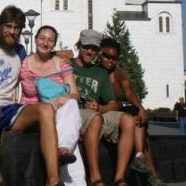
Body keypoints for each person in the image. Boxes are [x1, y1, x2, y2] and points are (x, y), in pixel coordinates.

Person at [0, 6, 64, 186]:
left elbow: (38, 59)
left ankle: (53, 179)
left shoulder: (20, 51)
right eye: (8, 26)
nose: (12, 31)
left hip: (6, 110)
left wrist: (58, 53)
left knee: (46, 110)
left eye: (17, 28)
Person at [19, 25, 86, 186]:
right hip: (33, 113)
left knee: (70, 105)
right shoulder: (24, 64)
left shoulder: (60, 63)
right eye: (42, 38)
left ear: (55, 43)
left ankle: (64, 150)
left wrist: (66, 95)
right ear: (35, 39)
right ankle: (64, 149)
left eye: (50, 40)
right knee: (65, 129)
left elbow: (75, 93)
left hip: (58, 112)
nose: (45, 43)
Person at [71, 30, 135, 186]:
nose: (89, 51)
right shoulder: (67, 64)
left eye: (93, 48)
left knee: (128, 120)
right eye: (86, 47)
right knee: (95, 118)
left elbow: (112, 103)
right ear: (79, 46)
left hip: (96, 113)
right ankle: (95, 178)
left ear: (98, 51)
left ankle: (119, 178)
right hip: (74, 113)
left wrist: (100, 107)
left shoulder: (100, 73)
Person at [99, 37, 165, 186]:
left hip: (121, 110)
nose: (111, 61)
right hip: (107, 111)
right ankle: (151, 173)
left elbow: (129, 92)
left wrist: (141, 108)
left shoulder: (118, 72)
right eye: (107, 57)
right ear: (100, 54)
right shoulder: (95, 71)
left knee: (137, 115)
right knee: (142, 135)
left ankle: (140, 158)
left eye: (114, 58)